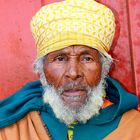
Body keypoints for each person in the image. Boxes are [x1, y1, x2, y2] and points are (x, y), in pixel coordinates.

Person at [0, 0, 140, 140]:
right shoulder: (13, 127)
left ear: (104, 68)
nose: (73, 73)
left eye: (87, 59)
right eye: (60, 59)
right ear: (41, 69)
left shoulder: (133, 128)